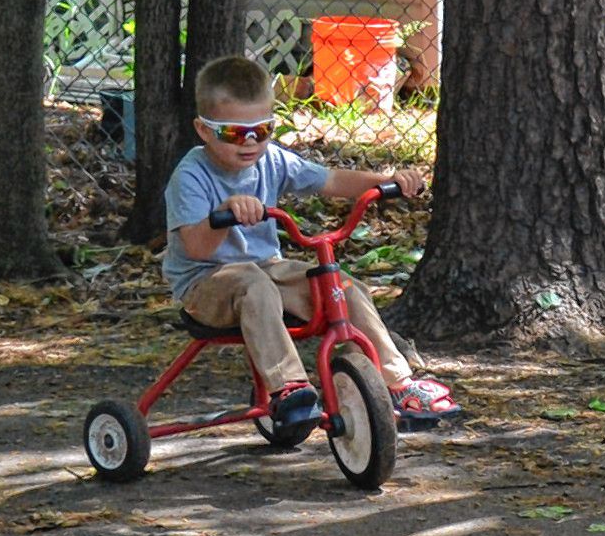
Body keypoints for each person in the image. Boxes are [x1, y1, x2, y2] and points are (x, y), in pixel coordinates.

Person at [164, 54, 455, 438]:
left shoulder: (271, 161)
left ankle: (397, 382)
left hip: (266, 270)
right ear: (204, 130)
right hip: (206, 284)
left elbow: (331, 180)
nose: (251, 143)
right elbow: (198, 248)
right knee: (255, 286)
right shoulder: (191, 176)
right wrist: (226, 210)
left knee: (341, 285)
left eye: (263, 130)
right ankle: (290, 387)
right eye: (236, 133)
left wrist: (388, 181)